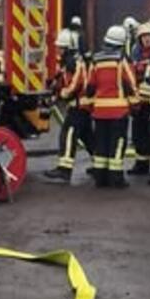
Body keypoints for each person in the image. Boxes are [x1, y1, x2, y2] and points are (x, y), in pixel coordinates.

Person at [86, 25, 138, 188]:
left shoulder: (96, 59)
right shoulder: (121, 59)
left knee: (101, 144)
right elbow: (130, 84)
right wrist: (135, 104)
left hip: (99, 111)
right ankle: (116, 178)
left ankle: (100, 177)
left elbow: (90, 86)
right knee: (117, 144)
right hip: (118, 111)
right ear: (122, 43)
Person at [44, 29, 93, 183]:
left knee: (68, 134)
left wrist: (61, 95)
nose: (58, 50)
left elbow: (76, 84)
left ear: (68, 48)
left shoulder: (75, 62)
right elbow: (60, 80)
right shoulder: (67, 63)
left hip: (79, 106)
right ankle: (100, 165)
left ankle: (64, 170)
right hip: (79, 107)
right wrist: (52, 89)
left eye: (60, 47)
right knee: (88, 138)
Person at [127, 21, 150, 176]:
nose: (147, 39)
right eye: (144, 36)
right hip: (139, 101)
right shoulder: (135, 51)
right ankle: (141, 164)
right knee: (138, 134)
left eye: (149, 36)